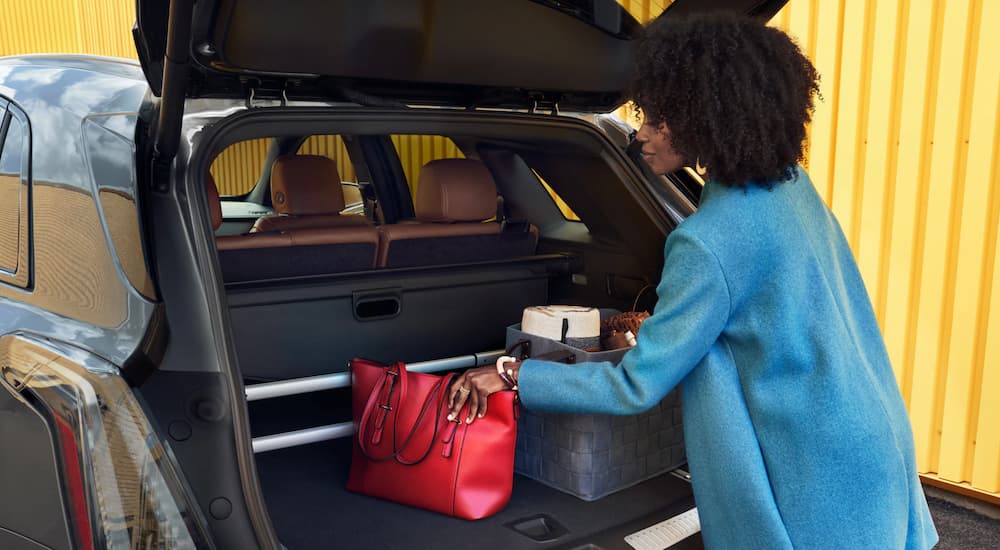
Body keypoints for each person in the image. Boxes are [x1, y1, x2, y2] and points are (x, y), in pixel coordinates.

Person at [446, 12, 938, 550]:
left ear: (708, 121)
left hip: (809, 473)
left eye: (658, 118)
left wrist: (516, 375)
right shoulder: (792, 188)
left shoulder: (708, 240)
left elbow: (635, 384)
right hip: (871, 438)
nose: (640, 133)